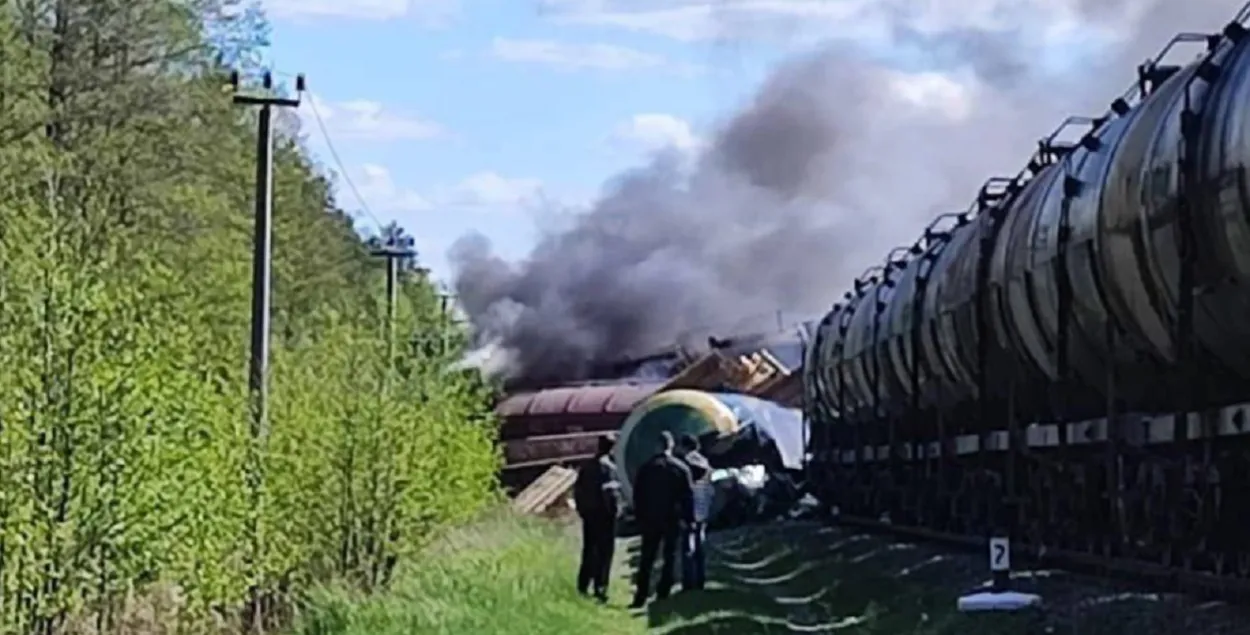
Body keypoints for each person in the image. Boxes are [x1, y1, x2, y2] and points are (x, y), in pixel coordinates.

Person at [629, 431, 693, 609]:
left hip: (650, 518)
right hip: (672, 518)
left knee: (647, 558)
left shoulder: (646, 468)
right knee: (669, 556)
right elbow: (688, 497)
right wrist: (689, 519)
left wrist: (639, 517)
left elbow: (638, 496)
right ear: (671, 446)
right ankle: (663, 592)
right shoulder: (681, 468)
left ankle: (640, 596)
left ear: (657, 446)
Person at [573, 434, 621, 602]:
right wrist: (615, 512)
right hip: (605, 516)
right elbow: (612, 494)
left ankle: (583, 585)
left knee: (589, 550)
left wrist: (582, 510)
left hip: (589, 515)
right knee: (605, 552)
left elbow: (577, 490)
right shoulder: (610, 468)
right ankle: (600, 587)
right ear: (612, 448)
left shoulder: (586, 467)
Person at [676, 434, 713, 591]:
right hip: (703, 509)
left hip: (689, 509)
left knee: (687, 547)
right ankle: (700, 579)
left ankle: (688, 582)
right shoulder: (705, 463)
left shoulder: (684, 464)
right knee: (700, 545)